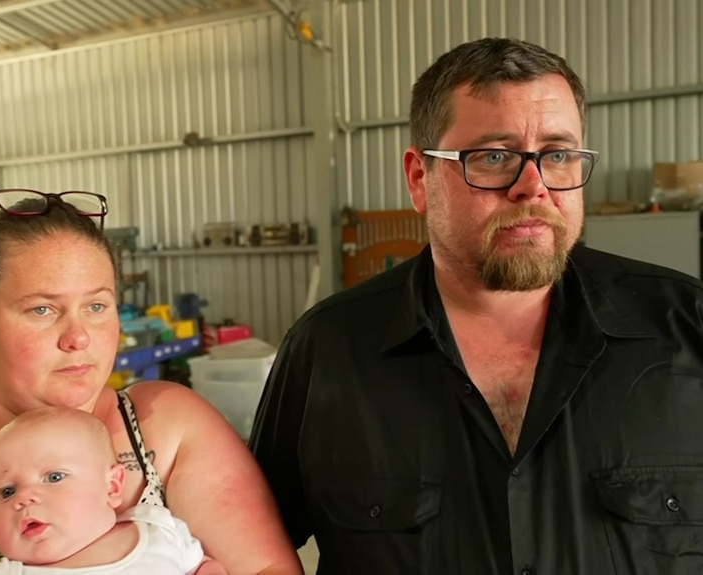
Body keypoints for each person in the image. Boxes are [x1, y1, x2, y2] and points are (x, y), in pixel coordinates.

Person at [249, 36, 703, 574]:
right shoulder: (327, 353)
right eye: (493, 157)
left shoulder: (685, 326)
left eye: (557, 155)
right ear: (421, 179)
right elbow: (247, 548)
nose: (533, 187)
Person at [0, 188, 303, 575]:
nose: (79, 337)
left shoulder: (164, 421)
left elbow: (265, 568)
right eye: (42, 309)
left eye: (97, 306)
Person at [0, 406, 225, 574]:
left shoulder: (158, 529)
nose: (23, 499)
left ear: (112, 486)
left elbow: (204, 567)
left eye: (54, 477)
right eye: (7, 492)